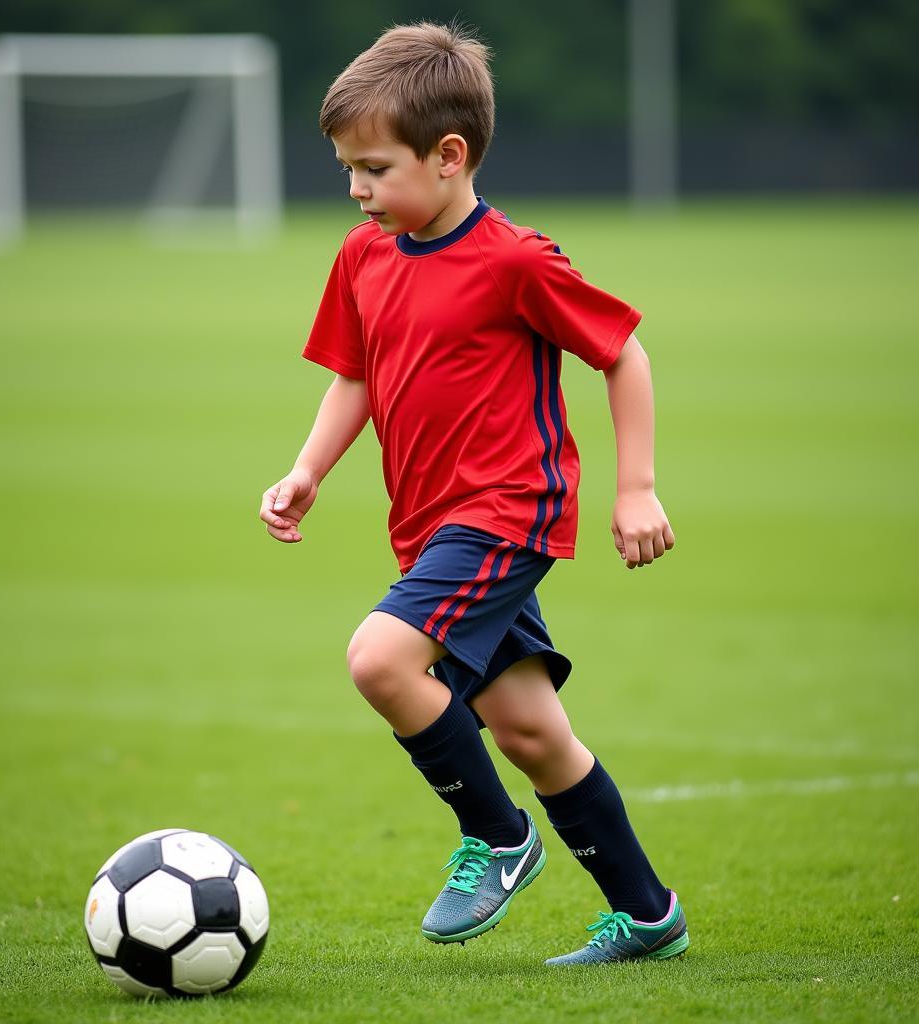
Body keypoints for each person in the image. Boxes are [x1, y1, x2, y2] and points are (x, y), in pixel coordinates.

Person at [259, 21, 688, 966]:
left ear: (449, 156)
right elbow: (356, 375)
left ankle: (497, 838)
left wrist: (637, 488)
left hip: (505, 512)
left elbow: (622, 352)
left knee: (379, 660)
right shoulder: (365, 257)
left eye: (373, 168)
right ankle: (649, 914)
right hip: (429, 530)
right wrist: (307, 470)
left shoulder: (517, 260)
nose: (356, 189)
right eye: (347, 169)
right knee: (532, 732)